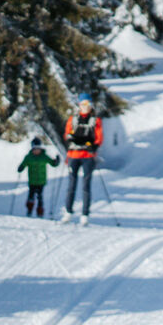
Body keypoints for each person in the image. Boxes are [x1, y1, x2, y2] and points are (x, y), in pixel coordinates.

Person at [62, 93, 103, 226]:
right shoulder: (73, 119)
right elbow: (67, 135)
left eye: (88, 104)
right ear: (79, 105)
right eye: (83, 104)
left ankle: (85, 215)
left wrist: (93, 147)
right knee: (71, 184)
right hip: (73, 155)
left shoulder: (95, 120)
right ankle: (68, 212)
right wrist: (71, 141)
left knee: (86, 185)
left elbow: (98, 138)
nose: (85, 107)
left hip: (88, 157)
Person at [16, 137, 59, 218]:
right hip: (32, 181)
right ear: (32, 149)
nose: (36, 150)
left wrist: (56, 162)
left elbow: (53, 163)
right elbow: (23, 164)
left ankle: (40, 213)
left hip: (41, 181)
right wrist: (20, 168)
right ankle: (29, 210)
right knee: (31, 196)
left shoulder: (44, 156)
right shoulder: (28, 157)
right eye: (35, 149)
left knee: (40, 197)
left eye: (38, 148)